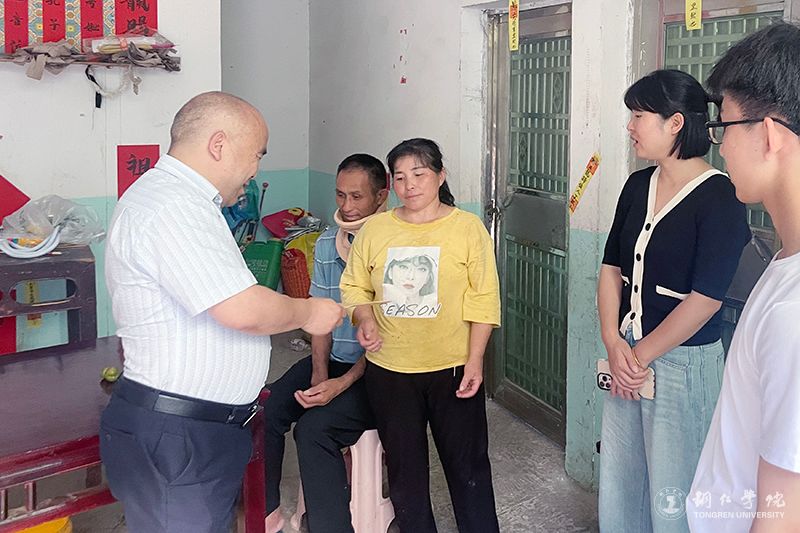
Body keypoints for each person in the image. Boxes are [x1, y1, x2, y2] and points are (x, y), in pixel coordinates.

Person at [101, 91, 345, 533]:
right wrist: (309, 312)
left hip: (193, 430)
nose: (255, 170)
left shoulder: (183, 202)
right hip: (178, 436)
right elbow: (242, 308)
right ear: (218, 145)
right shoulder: (173, 205)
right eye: (256, 154)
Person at [597, 70, 750, 533]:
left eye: (639, 116)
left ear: (676, 123)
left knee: (675, 491)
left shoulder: (721, 197)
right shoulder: (636, 186)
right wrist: (614, 343)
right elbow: (611, 268)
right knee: (621, 481)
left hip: (682, 364)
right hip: (626, 353)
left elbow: (706, 299)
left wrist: (639, 356)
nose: (630, 126)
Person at [340, 138, 501, 533]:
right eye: (399, 177)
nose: (409, 184)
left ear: (440, 176)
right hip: (390, 370)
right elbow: (355, 286)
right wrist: (364, 318)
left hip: (452, 367)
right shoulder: (376, 229)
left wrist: (475, 361)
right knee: (405, 472)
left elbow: (483, 297)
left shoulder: (467, 228)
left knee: (468, 468)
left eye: (419, 173)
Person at [689, 23, 800, 532]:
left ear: (770, 133)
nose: (721, 147)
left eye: (726, 127)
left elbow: (784, 515)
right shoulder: (784, 263)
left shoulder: (793, 311)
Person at [263, 154, 388, 533]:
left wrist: (340, 384)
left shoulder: (394, 248)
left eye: (357, 197)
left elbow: (387, 339)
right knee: (263, 410)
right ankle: (266, 513)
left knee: (314, 430)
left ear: (381, 197)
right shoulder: (327, 244)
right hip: (333, 362)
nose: (346, 206)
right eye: (340, 195)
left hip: (379, 373)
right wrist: (320, 374)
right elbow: (320, 319)